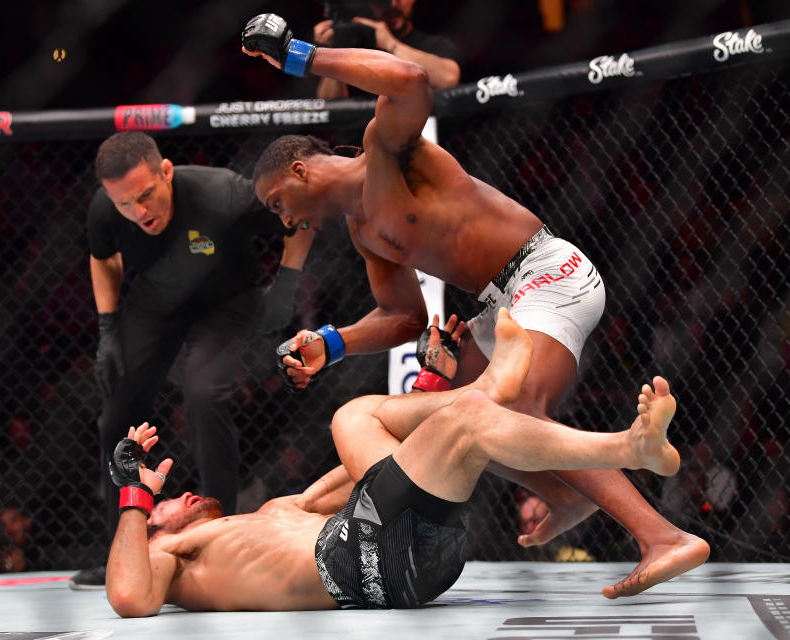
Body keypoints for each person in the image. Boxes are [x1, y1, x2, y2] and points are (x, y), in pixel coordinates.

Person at [240, 15, 710, 598]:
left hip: (547, 271)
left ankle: (663, 536)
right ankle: (566, 493)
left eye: (277, 202)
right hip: (502, 304)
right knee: (445, 418)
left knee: (517, 406)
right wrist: (332, 343)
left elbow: (410, 79)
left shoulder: (384, 150)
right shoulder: (364, 234)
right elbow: (403, 318)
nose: (285, 220)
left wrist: (297, 55)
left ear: (300, 168)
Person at [104, 308, 684, 616]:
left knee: (356, 420)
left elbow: (368, 477)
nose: (180, 495)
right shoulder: (167, 558)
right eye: (168, 504)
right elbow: (130, 597)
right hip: (362, 562)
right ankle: (624, 448)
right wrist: (135, 493)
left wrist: (425, 391)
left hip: (399, 550)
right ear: (151, 528)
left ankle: (470, 393)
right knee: (456, 422)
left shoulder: (270, 514)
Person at [70, 131, 314, 589]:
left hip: (226, 302)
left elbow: (301, 213)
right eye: (126, 204)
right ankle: (122, 550)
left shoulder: (221, 194)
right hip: (156, 301)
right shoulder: (106, 209)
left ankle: (219, 540)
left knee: (205, 392)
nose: (139, 212)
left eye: (146, 195)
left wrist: (286, 282)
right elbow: (102, 259)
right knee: (115, 416)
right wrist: (107, 328)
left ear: (166, 172)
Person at [313, 0, 460, 99]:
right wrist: (337, 47)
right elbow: (329, 103)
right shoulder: (356, 45)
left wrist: (389, 42)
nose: (394, 5)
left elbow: (448, 79)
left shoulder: (434, 45)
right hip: (359, 141)